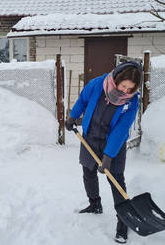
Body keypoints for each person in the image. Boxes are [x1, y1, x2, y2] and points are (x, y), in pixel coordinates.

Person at [65, 61, 142, 244]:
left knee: (116, 180)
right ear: (117, 78)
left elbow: (121, 130)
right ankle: (94, 203)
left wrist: (108, 156)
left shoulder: (131, 102)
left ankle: (123, 220)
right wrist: (73, 116)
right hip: (90, 137)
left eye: (130, 89)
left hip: (113, 143)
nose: (125, 91)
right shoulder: (97, 84)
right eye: (123, 86)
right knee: (88, 171)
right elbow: (83, 99)